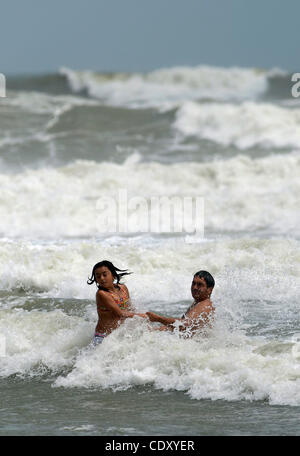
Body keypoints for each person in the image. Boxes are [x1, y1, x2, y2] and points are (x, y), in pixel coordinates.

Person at [87, 260, 146, 345]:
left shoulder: (123, 288)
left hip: (118, 334)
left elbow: (130, 308)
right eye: (98, 276)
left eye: (104, 274)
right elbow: (120, 314)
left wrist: (141, 322)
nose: (102, 278)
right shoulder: (101, 294)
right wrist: (142, 316)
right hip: (103, 338)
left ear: (113, 275)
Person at [146, 270, 215, 336]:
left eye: (199, 284)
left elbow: (184, 326)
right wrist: (155, 330)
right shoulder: (198, 303)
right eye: (193, 283)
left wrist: (159, 319)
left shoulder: (205, 305)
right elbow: (180, 328)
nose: (195, 287)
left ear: (209, 290)